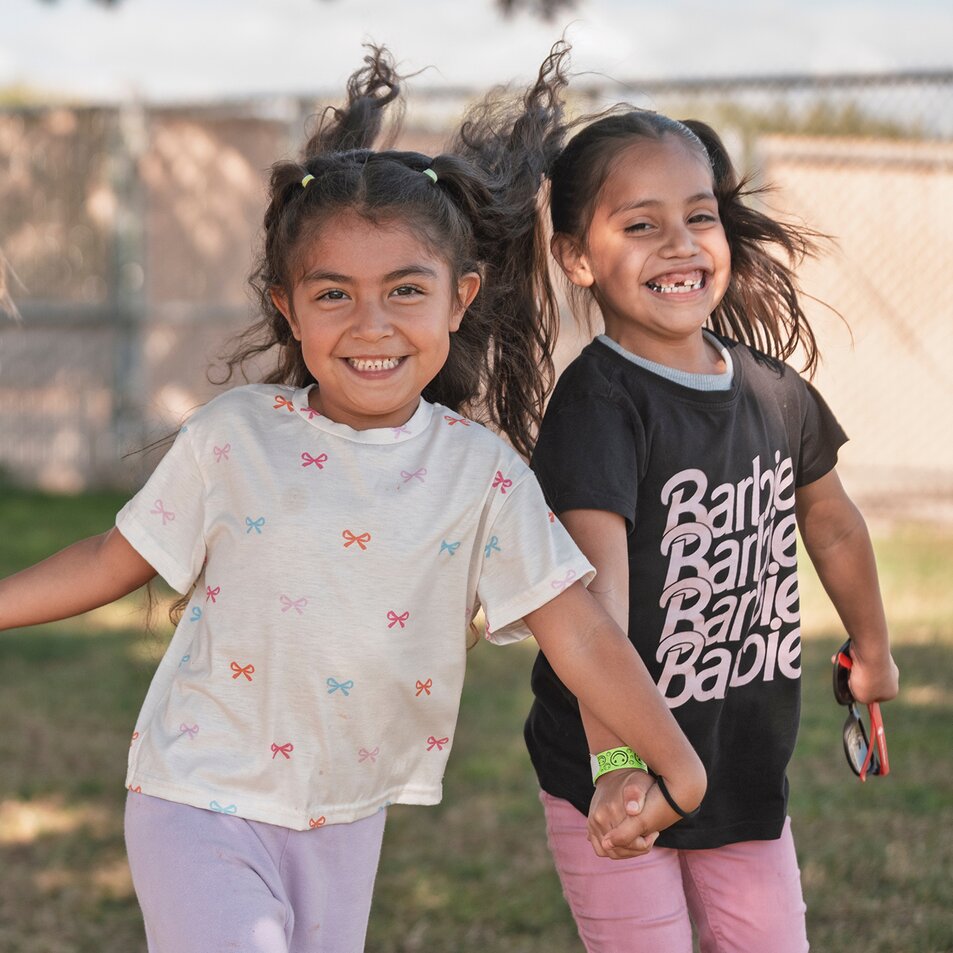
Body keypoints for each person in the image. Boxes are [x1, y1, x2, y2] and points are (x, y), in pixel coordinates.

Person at [0, 48, 705, 953]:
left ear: (460, 298)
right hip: (197, 795)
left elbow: (582, 634)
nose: (372, 324)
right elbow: (112, 557)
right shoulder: (235, 435)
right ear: (288, 307)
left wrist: (675, 761)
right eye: (334, 294)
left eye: (405, 290)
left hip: (347, 811)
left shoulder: (481, 474)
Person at [522, 105, 900, 952]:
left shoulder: (772, 389)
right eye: (640, 225)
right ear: (576, 257)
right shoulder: (598, 406)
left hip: (739, 761)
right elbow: (592, 610)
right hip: (617, 764)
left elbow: (830, 521)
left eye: (698, 216)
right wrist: (617, 766)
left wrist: (872, 647)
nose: (679, 244)